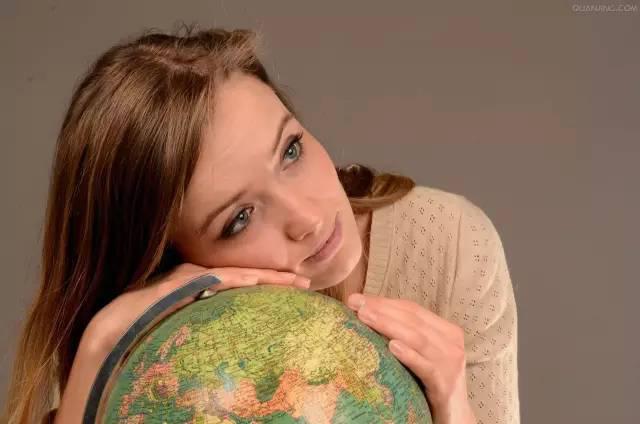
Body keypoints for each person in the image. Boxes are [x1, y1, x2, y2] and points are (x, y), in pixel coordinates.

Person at [2, 26, 519, 424]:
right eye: (240, 218)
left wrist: (455, 408)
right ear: (169, 261)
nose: (308, 218)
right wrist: (101, 343)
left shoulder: (449, 245)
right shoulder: (160, 340)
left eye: (290, 151)